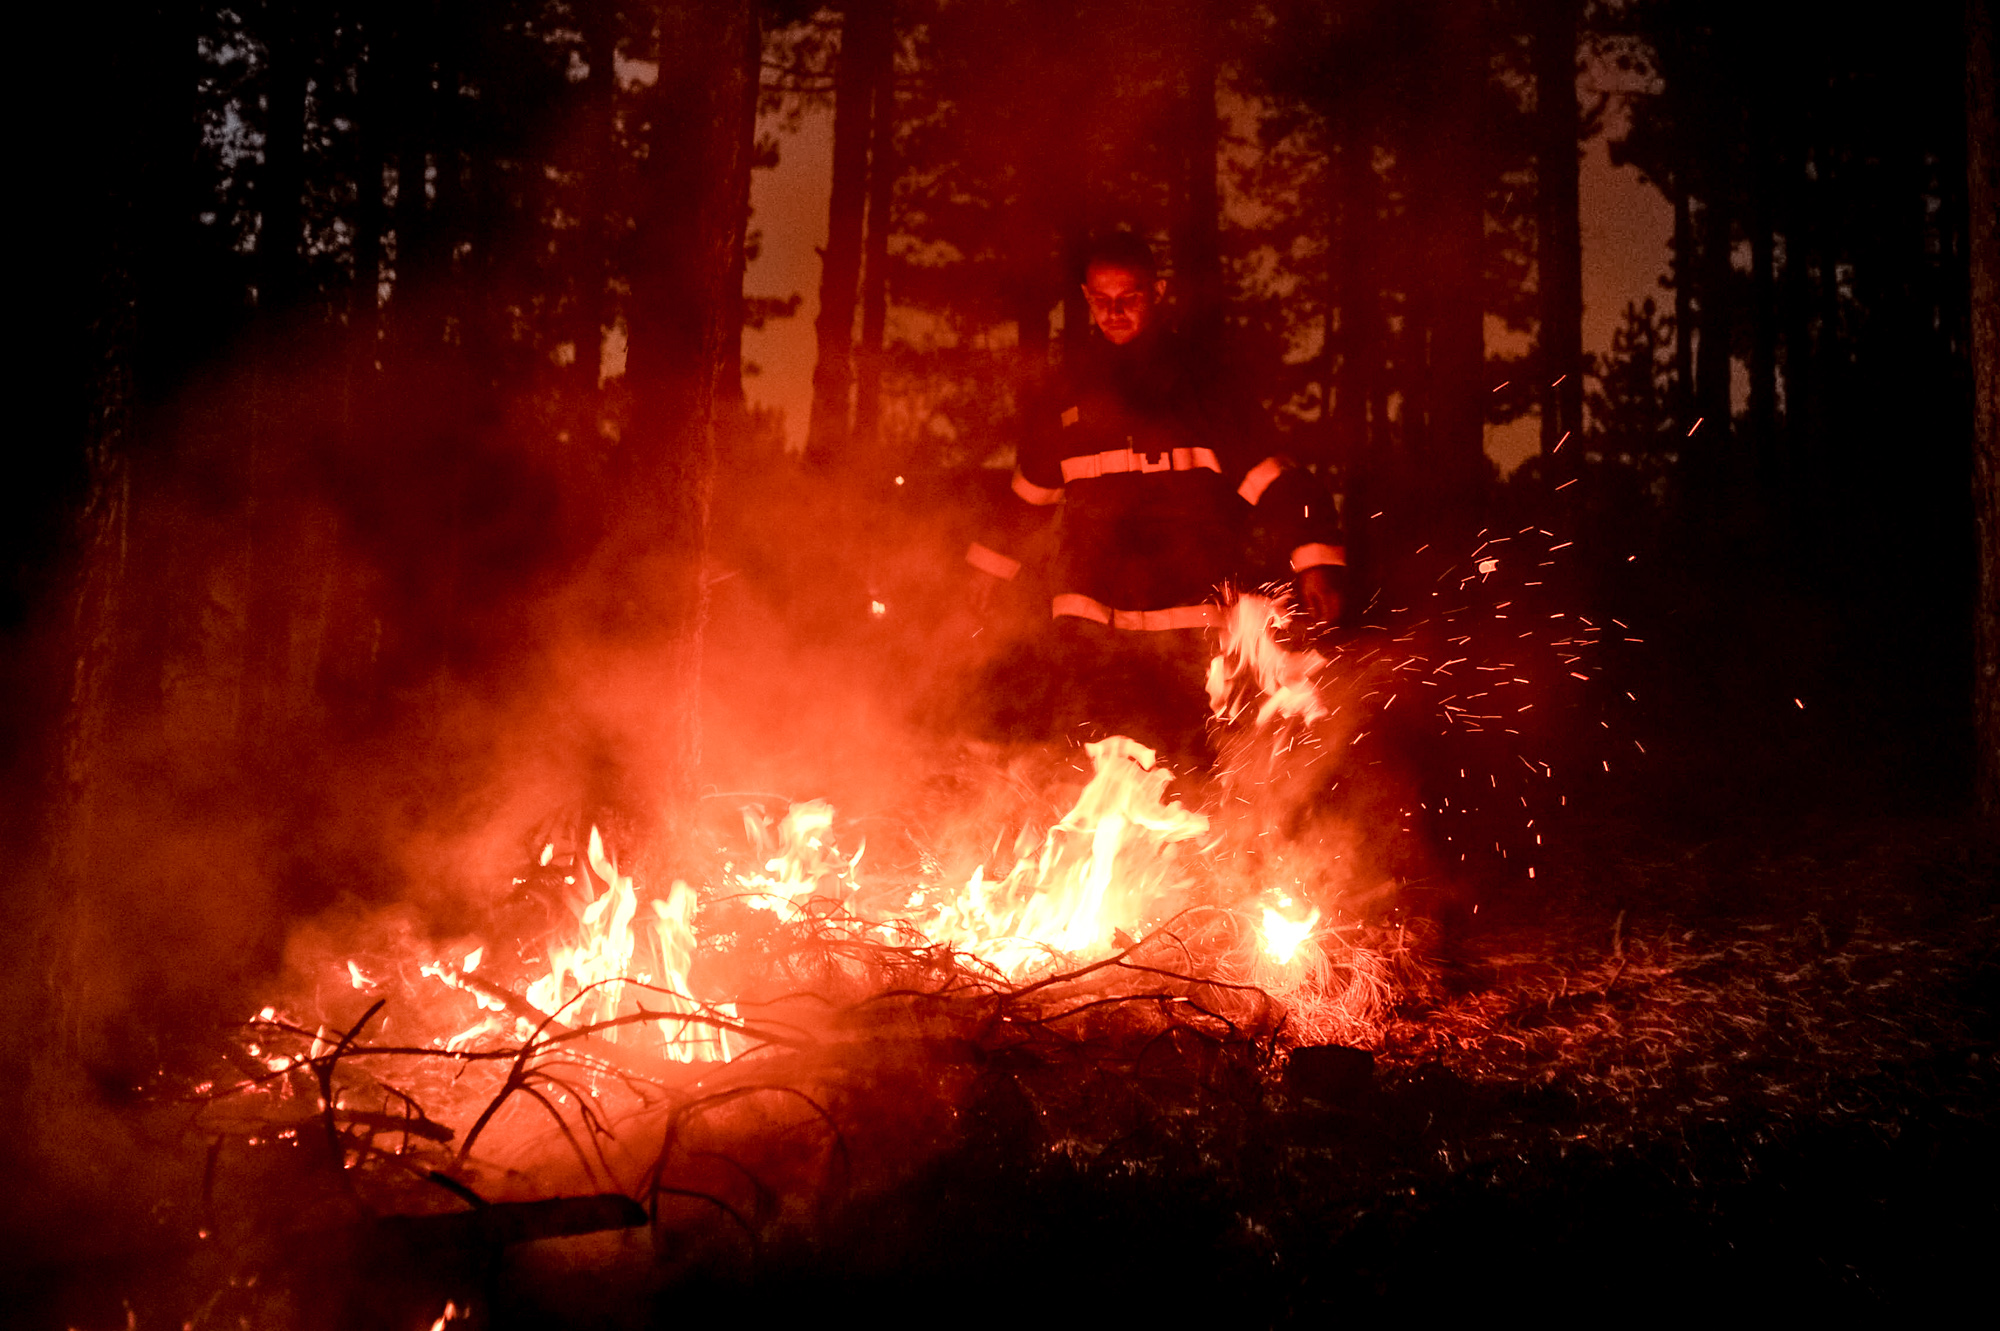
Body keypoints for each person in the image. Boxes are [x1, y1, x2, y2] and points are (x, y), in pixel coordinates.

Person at [965, 230, 1346, 769]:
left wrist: (1315, 558)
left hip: (1187, 627)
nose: (1113, 312)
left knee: (1186, 774)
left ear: (1159, 291)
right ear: (1085, 298)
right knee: (1094, 775)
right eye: (1100, 300)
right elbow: (1027, 500)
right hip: (1088, 622)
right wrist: (985, 573)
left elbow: (1273, 478)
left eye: (1130, 297)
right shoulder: (1067, 392)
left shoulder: (1204, 387)